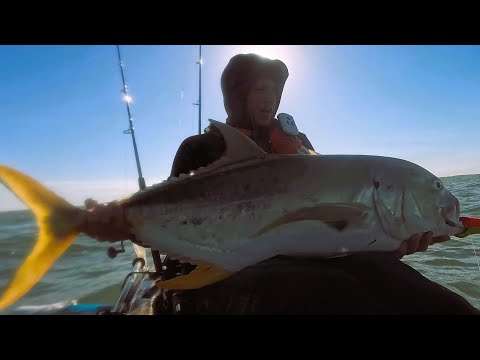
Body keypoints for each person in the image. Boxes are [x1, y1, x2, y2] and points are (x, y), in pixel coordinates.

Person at [79, 53, 480, 314]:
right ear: (238, 95)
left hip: (308, 264)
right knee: (332, 293)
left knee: (436, 304)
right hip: (228, 277)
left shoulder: (300, 148)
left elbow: (338, 231)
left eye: (274, 89)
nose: (269, 98)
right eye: (259, 89)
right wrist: (125, 223)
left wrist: (392, 241)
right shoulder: (202, 148)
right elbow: (176, 237)